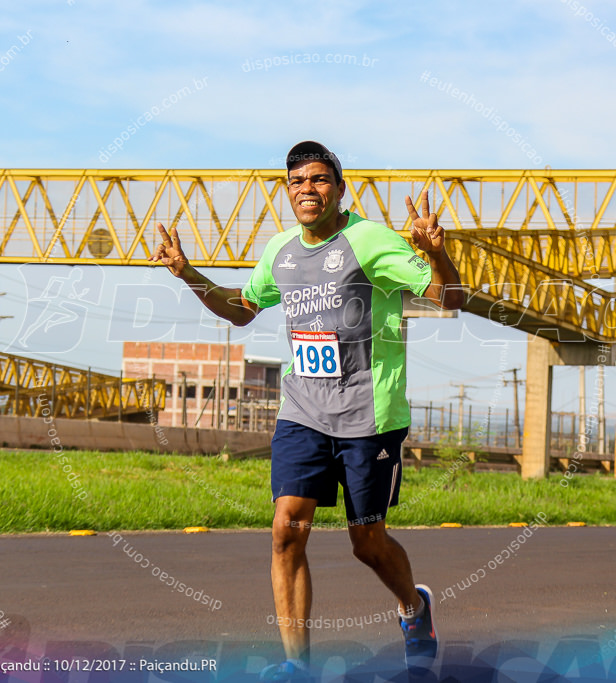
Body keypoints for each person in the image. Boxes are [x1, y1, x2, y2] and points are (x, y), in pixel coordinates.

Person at [152, 141, 463, 680]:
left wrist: (435, 252)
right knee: (286, 529)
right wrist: (188, 274)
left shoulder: (369, 240)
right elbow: (242, 310)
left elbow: (448, 297)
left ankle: (414, 608)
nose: (308, 190)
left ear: (341, 189)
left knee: (367, 542)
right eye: (297, 182)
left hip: (370, 417)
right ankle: (297, 667)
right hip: (303, 413)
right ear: (288, 191)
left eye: (319, 180)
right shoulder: (281, 251)